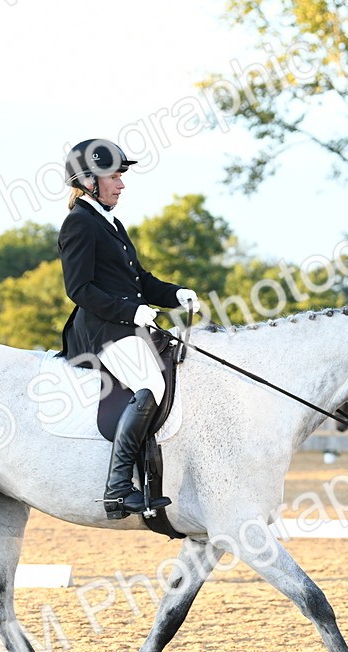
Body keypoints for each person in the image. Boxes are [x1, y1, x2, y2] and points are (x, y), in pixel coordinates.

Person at [56, 138, 199, 520]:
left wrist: (175, 294)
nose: (121, 184)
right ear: (89, 181)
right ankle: (118, 489)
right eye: (115, 177)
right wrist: (131, 311)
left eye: (121, 177)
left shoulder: (111, 222)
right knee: (151, 385)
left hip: (123, 324)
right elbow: (80, 289)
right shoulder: (79, 223)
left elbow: (139, 280)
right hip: (101, 330)